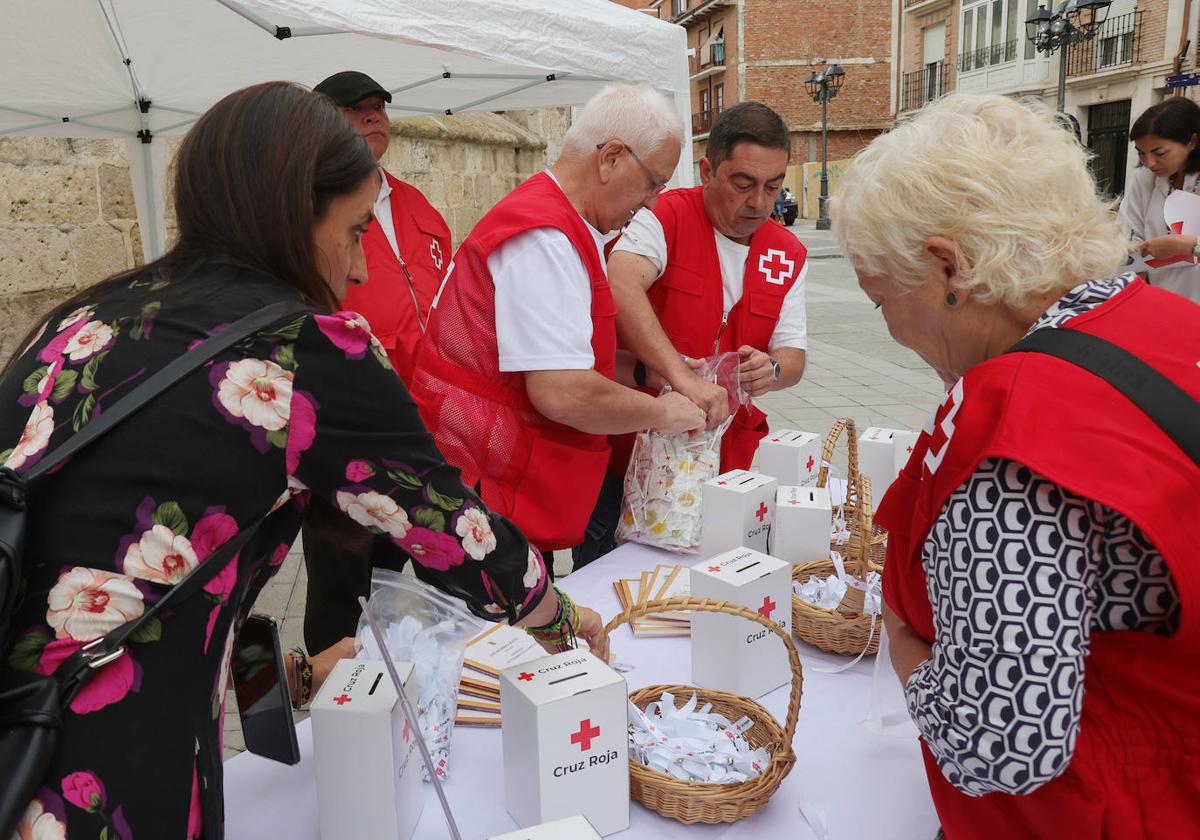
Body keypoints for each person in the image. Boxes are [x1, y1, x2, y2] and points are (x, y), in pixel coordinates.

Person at [0, 82, 605, 839]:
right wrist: (564, 620)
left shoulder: (81, 316)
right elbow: (461, 536)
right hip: (94, 756)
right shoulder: (306, 346)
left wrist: (287, 680)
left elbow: (158, 561)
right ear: (292, 220)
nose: (358, 269)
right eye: (354, 231)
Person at [832, 92, 1200, 838]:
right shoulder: (1169, 319)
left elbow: (1001, 745)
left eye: (880, 302)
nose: (893, 328)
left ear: (947, 268)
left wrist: (906, 645)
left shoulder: (1012, 442)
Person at [409, 84, 706, 561]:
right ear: (610, 157)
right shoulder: (546, 239)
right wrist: (663, 412)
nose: (652, 202)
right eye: (653, 182)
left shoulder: (562, 222)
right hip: (483, 496)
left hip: (491, 491)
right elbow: (561, 390)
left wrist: (647, 374)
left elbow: (567, 351)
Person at [574, 102, 808, 568]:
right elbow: (620, 284)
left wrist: (772, 369)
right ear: (707, 170)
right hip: (631, 460)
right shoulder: (664, 216)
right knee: (611, 593)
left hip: (726, 466)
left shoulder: (788, 253)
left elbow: (794, 356)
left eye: (773, 186)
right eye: (742, 184)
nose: (759, 202)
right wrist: (682, 375)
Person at [301, 71, 454, 653]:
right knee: (343, 600)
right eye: (356, 108)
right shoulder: (310, 211)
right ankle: (332, 710)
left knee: (430, 584)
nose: (374, 118)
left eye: (379, 108)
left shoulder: (417, 206)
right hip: (350, 443)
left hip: (429, 437)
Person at [1118, 96, 1200, 303]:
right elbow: (1129, 229)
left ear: (1192, 141)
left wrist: (1191, 246)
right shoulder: (1146, 178)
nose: (1150, 163)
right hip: (1165, 301)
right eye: (1141, 154)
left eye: (1159, 153)